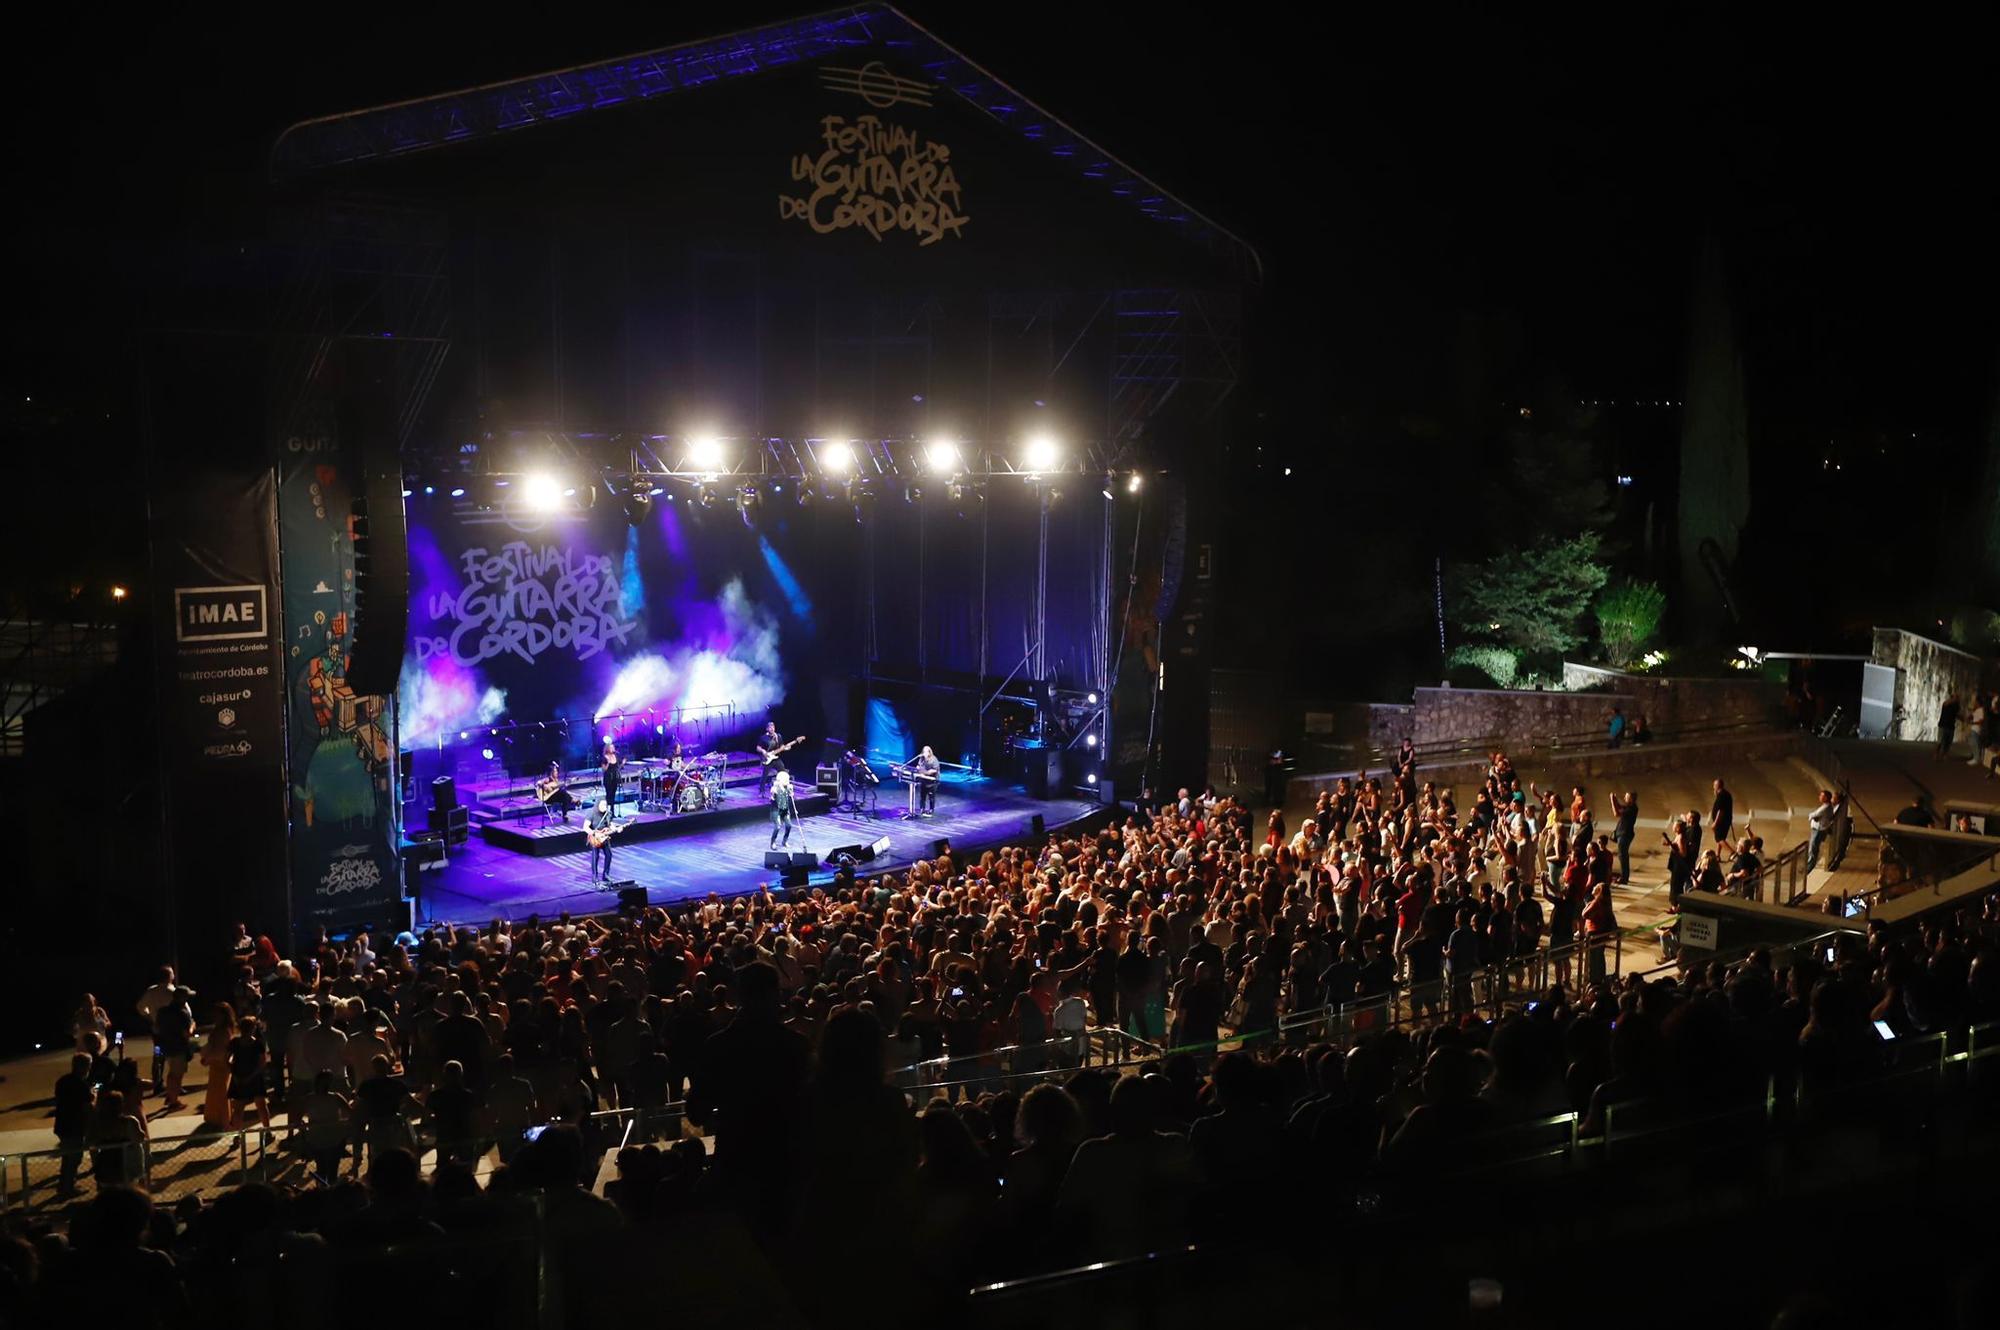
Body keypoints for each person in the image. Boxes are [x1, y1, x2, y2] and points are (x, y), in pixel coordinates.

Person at [135, 966, 188, 1099]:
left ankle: (157, 1084)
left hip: (157, 1031)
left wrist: (149, 1017)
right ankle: (175, 1085)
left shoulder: (151, 991)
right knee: (175, 1057)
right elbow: (187, 1010)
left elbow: (140, 1007)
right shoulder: (173, 991)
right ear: (170, 976)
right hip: (173, 1032)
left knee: (158, 1056)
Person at [52, 1053, 94, 1196]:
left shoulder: (62, 1081)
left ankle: (65, 1184)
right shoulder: (81, 1085)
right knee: (74, 1158)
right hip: (74, 1126)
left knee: (68, 1156)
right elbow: (86, 1107)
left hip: (62, 1124)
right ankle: (67, 1187)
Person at [1805, 788, 1845, 872]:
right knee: (1813, 849)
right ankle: (1809, 866)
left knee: (1813, 849)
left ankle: (1809, 868)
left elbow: (1813, 815)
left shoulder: (1825, 808)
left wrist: (1812, 816)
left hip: (1818, 830)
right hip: (1818, 829)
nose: (1819, 797)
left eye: (1822, 796)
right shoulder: (1827, 807)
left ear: (1826, 798)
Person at [587, 799, 618, 882]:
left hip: (604, 837)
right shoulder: (592, 813)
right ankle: (595, 876)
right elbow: (585, 827)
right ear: (598, 805)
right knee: (595, 856)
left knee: (609, 855)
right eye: (602, 805)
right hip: (595, 837)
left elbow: (610, 824)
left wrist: (615, 829)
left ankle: (606, 874)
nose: (605, 806)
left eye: (605, 804)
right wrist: (594, 833)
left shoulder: (608, 813)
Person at [768, 769, 801, 849]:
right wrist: (773, 795)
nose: (787, 781)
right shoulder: (775, 789)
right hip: (776, 811)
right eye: (786, 779)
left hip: (785, 810)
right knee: (778, 826)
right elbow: (772, 798)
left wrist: (791, 794)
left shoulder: (788, 788)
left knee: (789, 825)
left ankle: (784, 841)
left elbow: (791, 799)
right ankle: (773, 842)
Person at [1611, 791, 1638, 885]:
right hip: (1623, 834)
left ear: (1631, 798)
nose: (1624, 798)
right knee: (1622, 855)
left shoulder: (1632, 809)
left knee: (1623, 856)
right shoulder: (1629, 807)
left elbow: (1616, 813)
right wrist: (1615, 800)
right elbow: (1620, 807)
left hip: (1624, 834)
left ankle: (1624, 877)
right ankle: (1624, 876)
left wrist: (1612, 801)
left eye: (1626, 797)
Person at [914, 744, 942, 814]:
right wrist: (917, 768)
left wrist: (925, 773)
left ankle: (931, 809)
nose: (924, 753)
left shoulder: (934, 759)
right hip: (923, 780)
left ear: (929, 752)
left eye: (926, 752)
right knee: (922, 796)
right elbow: (918, 765)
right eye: (923, 752)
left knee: (931, 797)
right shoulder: (921, 759)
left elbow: (934, 770)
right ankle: (922, 809)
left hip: (932, 781)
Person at [599, 738, 623, 811]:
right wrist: (608, 762)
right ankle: (606, 811)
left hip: (615, 777)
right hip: (608, 778)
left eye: (613, 747)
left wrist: (623, 764)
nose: (613, 748)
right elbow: (604, 769)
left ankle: (612, 811)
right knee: (608, 793)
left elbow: (617, 767)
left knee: (613, 794)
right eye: (611, 747)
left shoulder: (615, 756)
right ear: (608, 749)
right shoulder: (604, 757)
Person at [1710, 777, 1734, 846]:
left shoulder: (1721, 796)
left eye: (1714, 785)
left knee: (1719, 839)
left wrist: (1715, 822)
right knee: (1721, 838)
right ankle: (1718, 854)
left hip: (1721, 822)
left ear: (1717, 786)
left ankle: (1732, 852)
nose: (1713, 787)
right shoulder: (1726, 794)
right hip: (1726, 820)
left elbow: (1720, 810)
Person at [1938, 693, 1962, 760]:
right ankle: (1936, 753)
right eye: (1956, 697)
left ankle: (1944, 754)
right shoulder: (1946, 703)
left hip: (1951, 726)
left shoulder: (1956, 706)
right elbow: (1945, 704)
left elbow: (1957, 714)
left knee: (1948, 742)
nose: (1957, 698)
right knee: (1940, 741)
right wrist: (1953, 700)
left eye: (1957, 697)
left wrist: (1963, 719)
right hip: (1943, 725)